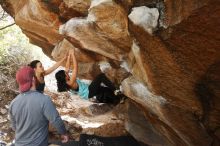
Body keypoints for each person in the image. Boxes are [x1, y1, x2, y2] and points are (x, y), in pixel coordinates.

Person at [9, 66, 69, 146]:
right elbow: (56, 120)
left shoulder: (13, 103)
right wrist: (63, 133)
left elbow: (14, 127)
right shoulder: (44, 99)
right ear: (33, 79)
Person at [55, 50, 122, 103]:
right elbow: (75, 67)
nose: (67, 73)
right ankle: (116, 90)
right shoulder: (70, 82)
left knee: (102, 89)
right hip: (89, 92)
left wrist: (69, 56)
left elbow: (67, 67)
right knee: (101, 77)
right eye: (65, 73)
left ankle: (117, 98)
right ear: (64, 77)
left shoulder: (65, 82)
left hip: (87, 93)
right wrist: (73, 54)